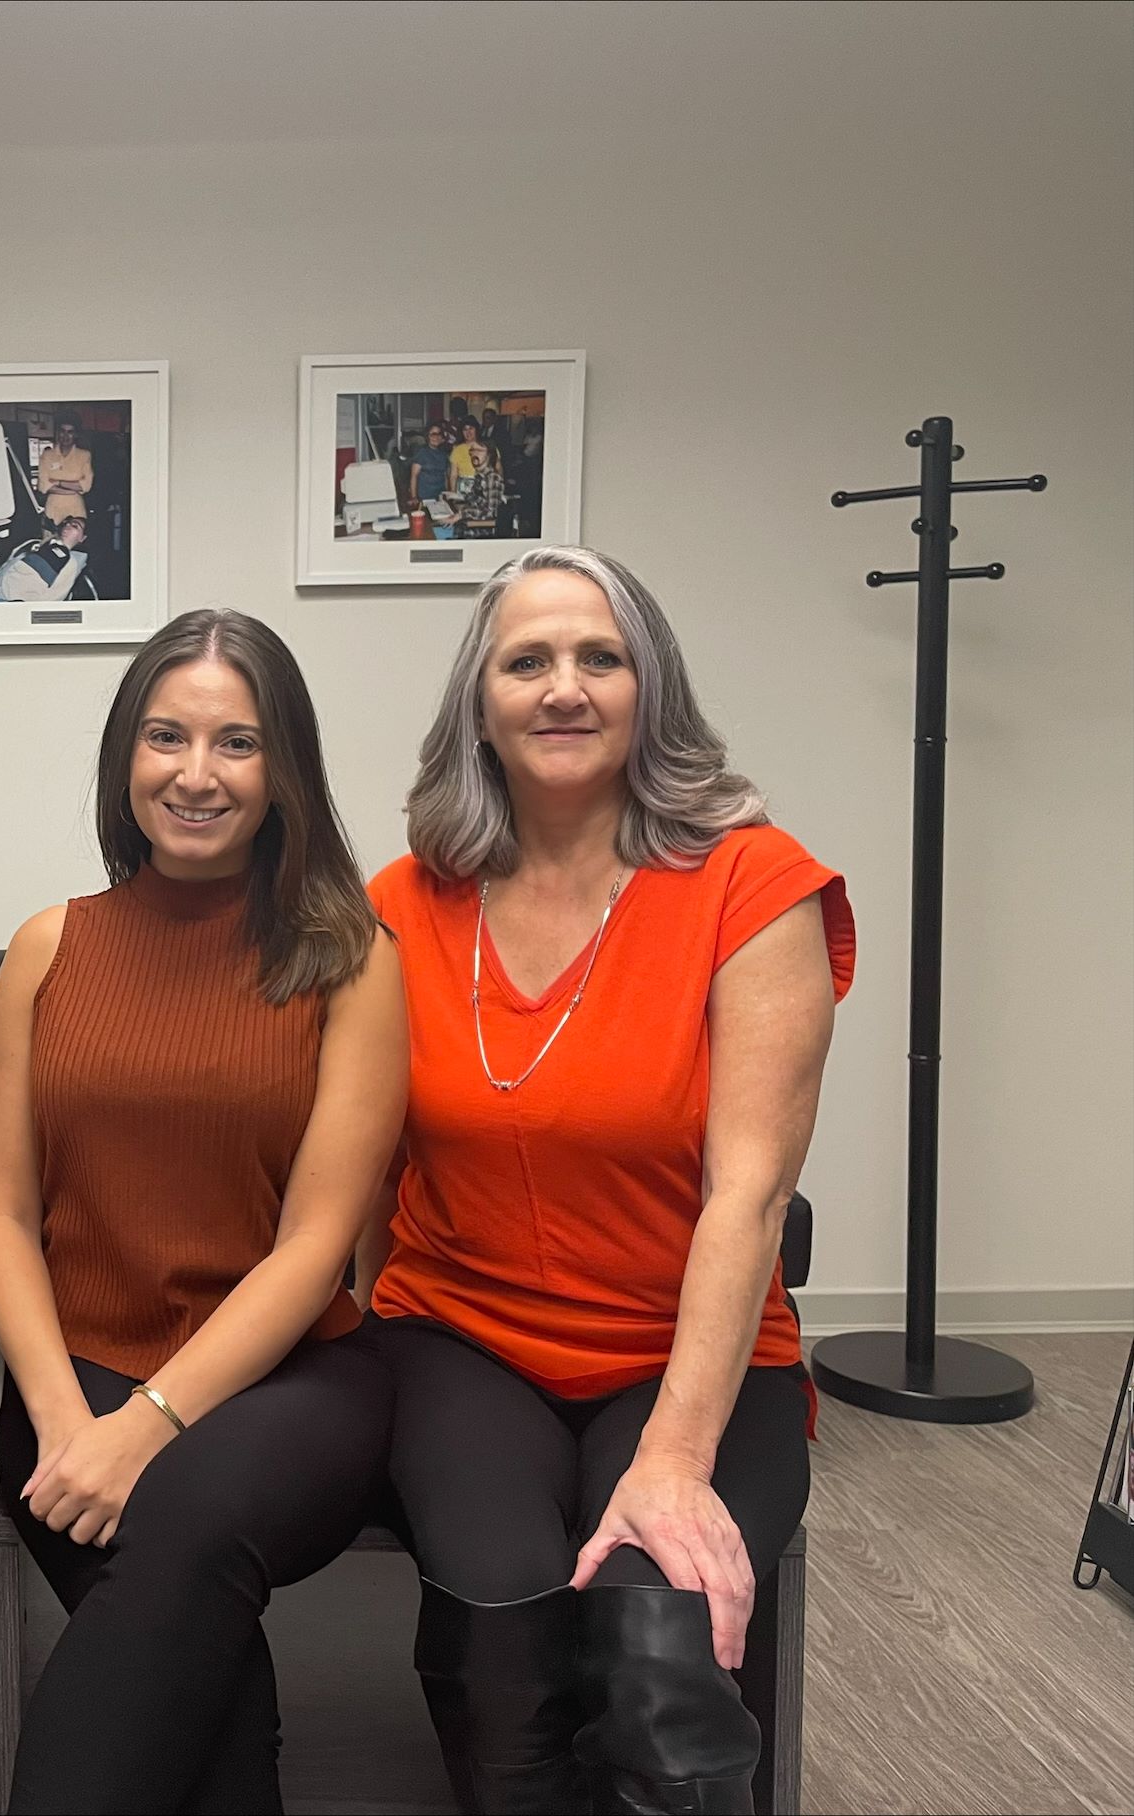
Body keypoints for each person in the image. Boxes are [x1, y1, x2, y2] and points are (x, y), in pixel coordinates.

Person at [361, 546, 852, 1814]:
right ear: (479, 701)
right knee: (501, 1621)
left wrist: (674, 1460)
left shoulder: (752, 883)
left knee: (656, 1626)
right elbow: (355, 1171)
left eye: (600, 657)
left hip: (692, 1354)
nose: (562, 687)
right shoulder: (401, 905)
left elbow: (748, 1195)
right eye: (525, 661)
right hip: (462, 1337)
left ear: (652, 689)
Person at [0, 609, 409, 1812]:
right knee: (202, 1685)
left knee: (179, 1539)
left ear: (284, 771)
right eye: (166, 736)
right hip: (68, 1380)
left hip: (290, 1381)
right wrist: (66, 1419)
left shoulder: (349, 956)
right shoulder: (50, 944)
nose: (195, 774)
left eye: (236, 742)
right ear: (127, 756)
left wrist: (146, 1426)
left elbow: (319, 1245)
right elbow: (1, 1213)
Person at [0, 513, 91, 601]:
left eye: (75, 526)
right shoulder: (36, 543)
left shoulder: (70, 562)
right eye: (67, 523)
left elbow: (55, 597)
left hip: (9, 599)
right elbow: (8, 564)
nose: (68, 526)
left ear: (82, 538)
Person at [36, 411, 94, 524]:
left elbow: (86, 486)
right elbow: (43, 487)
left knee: (72, 539)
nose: (65, 436)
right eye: (62, 431)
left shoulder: (84, 455)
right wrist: (73, 489)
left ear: (76, 434)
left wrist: (57, 482)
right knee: (51, 540)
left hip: (76, 509)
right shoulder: (47, 455)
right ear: (58, 433)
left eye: (70, 432)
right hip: (53, 508)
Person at [452, 418, 506, 538]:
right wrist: (458, 497)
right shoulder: (479, 476)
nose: (474, 454)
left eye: (479, 451)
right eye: (472, 451)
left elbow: (490, 512)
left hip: (478, 532)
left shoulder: (492, 479)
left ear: (489, 454)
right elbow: (475, 498)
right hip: (469, 525)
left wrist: (461, 514)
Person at [409, 421, 453, 513]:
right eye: (433, 434)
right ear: (427, 436)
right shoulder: (422, 453)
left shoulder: (444, 454)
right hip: (424, 499)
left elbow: (445, 476)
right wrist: (414, 497)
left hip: (440, 498)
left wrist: (447, 494)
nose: (436, 437)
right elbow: (414, 476)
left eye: (439, 434)